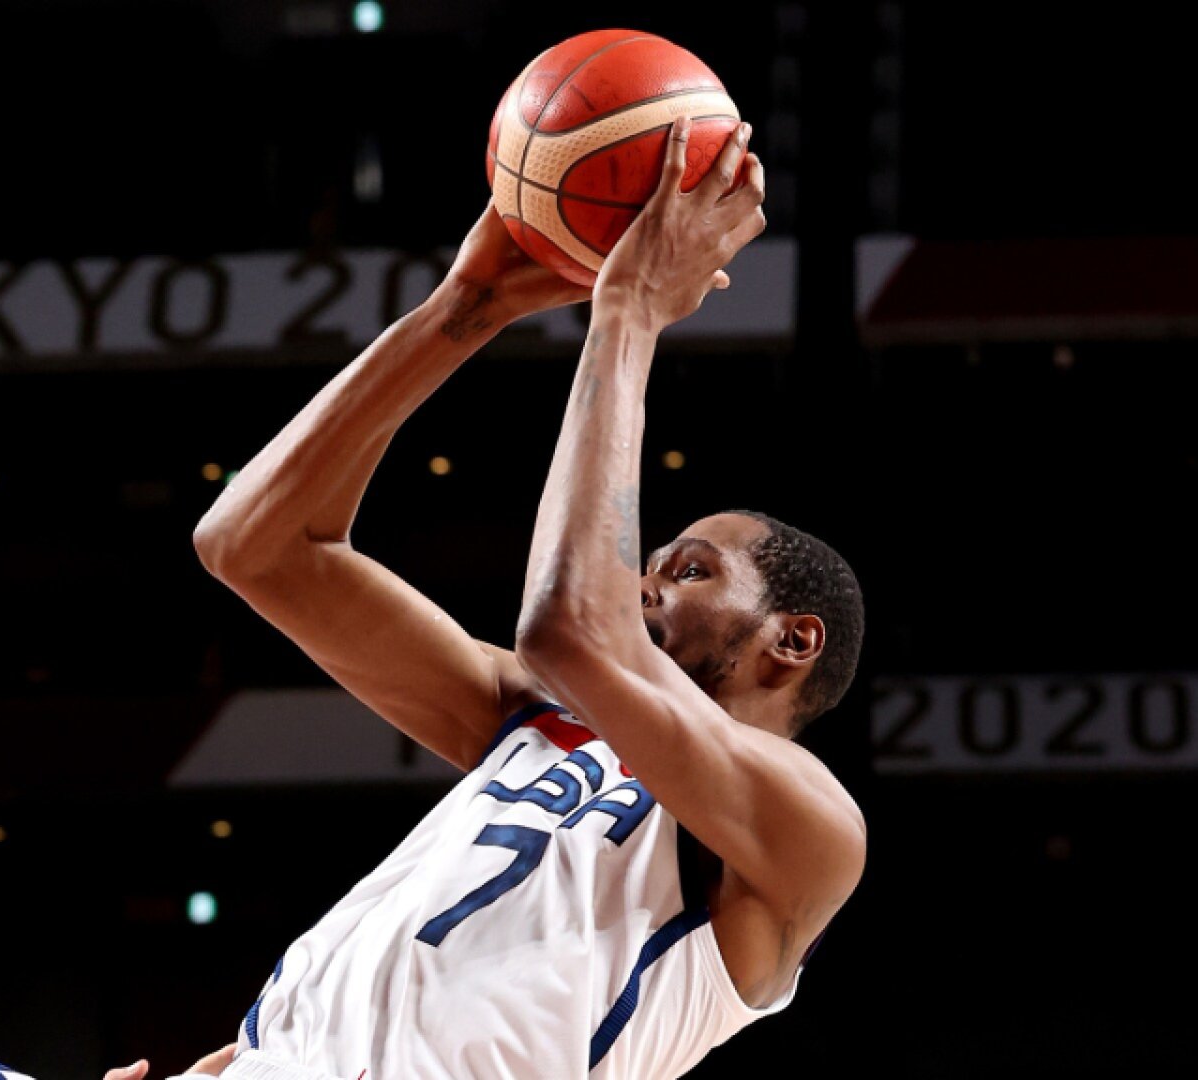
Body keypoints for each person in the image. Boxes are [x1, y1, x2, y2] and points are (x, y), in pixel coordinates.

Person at [192, 118, 866, 1079]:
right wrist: (462, 309)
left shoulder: (808, 829)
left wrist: (629, 314)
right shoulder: (544, 713)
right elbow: (254, 546)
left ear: (791, 640)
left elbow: (569, 631)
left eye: (690, 569)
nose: (644, 581)